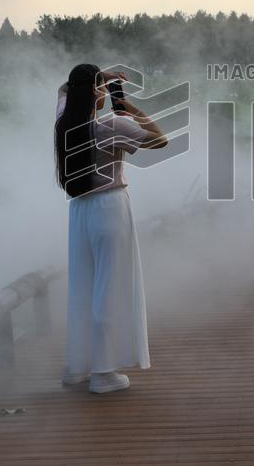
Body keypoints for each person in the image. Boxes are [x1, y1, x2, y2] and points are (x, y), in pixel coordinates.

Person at [54, 64, 168, 393]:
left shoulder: (63, 122)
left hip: (78, 211)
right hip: (110, 207)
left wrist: (96, 77)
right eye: (101, 87)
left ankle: (78, 367)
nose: (105, 91)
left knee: (82, 287)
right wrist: (129, 107)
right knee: (110, 286)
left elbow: (63, 91)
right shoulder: (111, 125)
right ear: (94, 93)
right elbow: (160, 140)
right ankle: (103, 373)